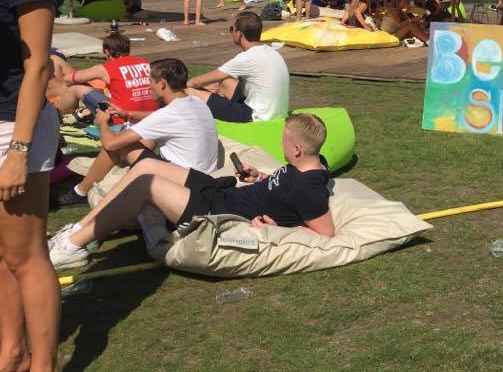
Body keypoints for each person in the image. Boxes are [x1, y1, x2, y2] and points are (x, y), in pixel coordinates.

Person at [49, 112, 334, 270]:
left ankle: (70, 248)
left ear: (297, 149)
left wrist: (278, 230)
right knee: (145, 165)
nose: (281, 144)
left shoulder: (309, 189)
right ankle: (78, 230)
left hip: (218, 213)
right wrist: (259, 176)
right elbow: (282, 187)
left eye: (284, 141)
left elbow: (326, 234)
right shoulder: (310, 163)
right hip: (221, 191)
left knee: (144, 184)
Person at [0, 0, 61, 371]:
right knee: (2, 254)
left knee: (25, 254)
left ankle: (42, 364)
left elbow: (38, 66)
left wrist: (18, 151)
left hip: (15, 125)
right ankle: (12, 352)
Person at [55, 57, 218, 209]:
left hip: (183, 183)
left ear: (162, 84)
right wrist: (127, 114)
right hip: (201, 175)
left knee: (119, 143)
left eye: (150, 81)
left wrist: (102, 122)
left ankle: (80, 191)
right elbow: (157, 116)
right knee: (147, 138)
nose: (148, 86)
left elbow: (111, 144)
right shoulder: (195, 102)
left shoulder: (168, 114)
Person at [186, 12, 289, 124]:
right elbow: (218, 77)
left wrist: (186, 85)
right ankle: (221, 114)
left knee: (189, 91)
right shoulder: (271, 52)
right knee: (225, 82)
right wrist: (207, 84)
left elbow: (195, 82)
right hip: (277, 113)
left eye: (232, 29)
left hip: (257, 118)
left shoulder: (246, 58)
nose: (231, 32)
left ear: (240, 34)